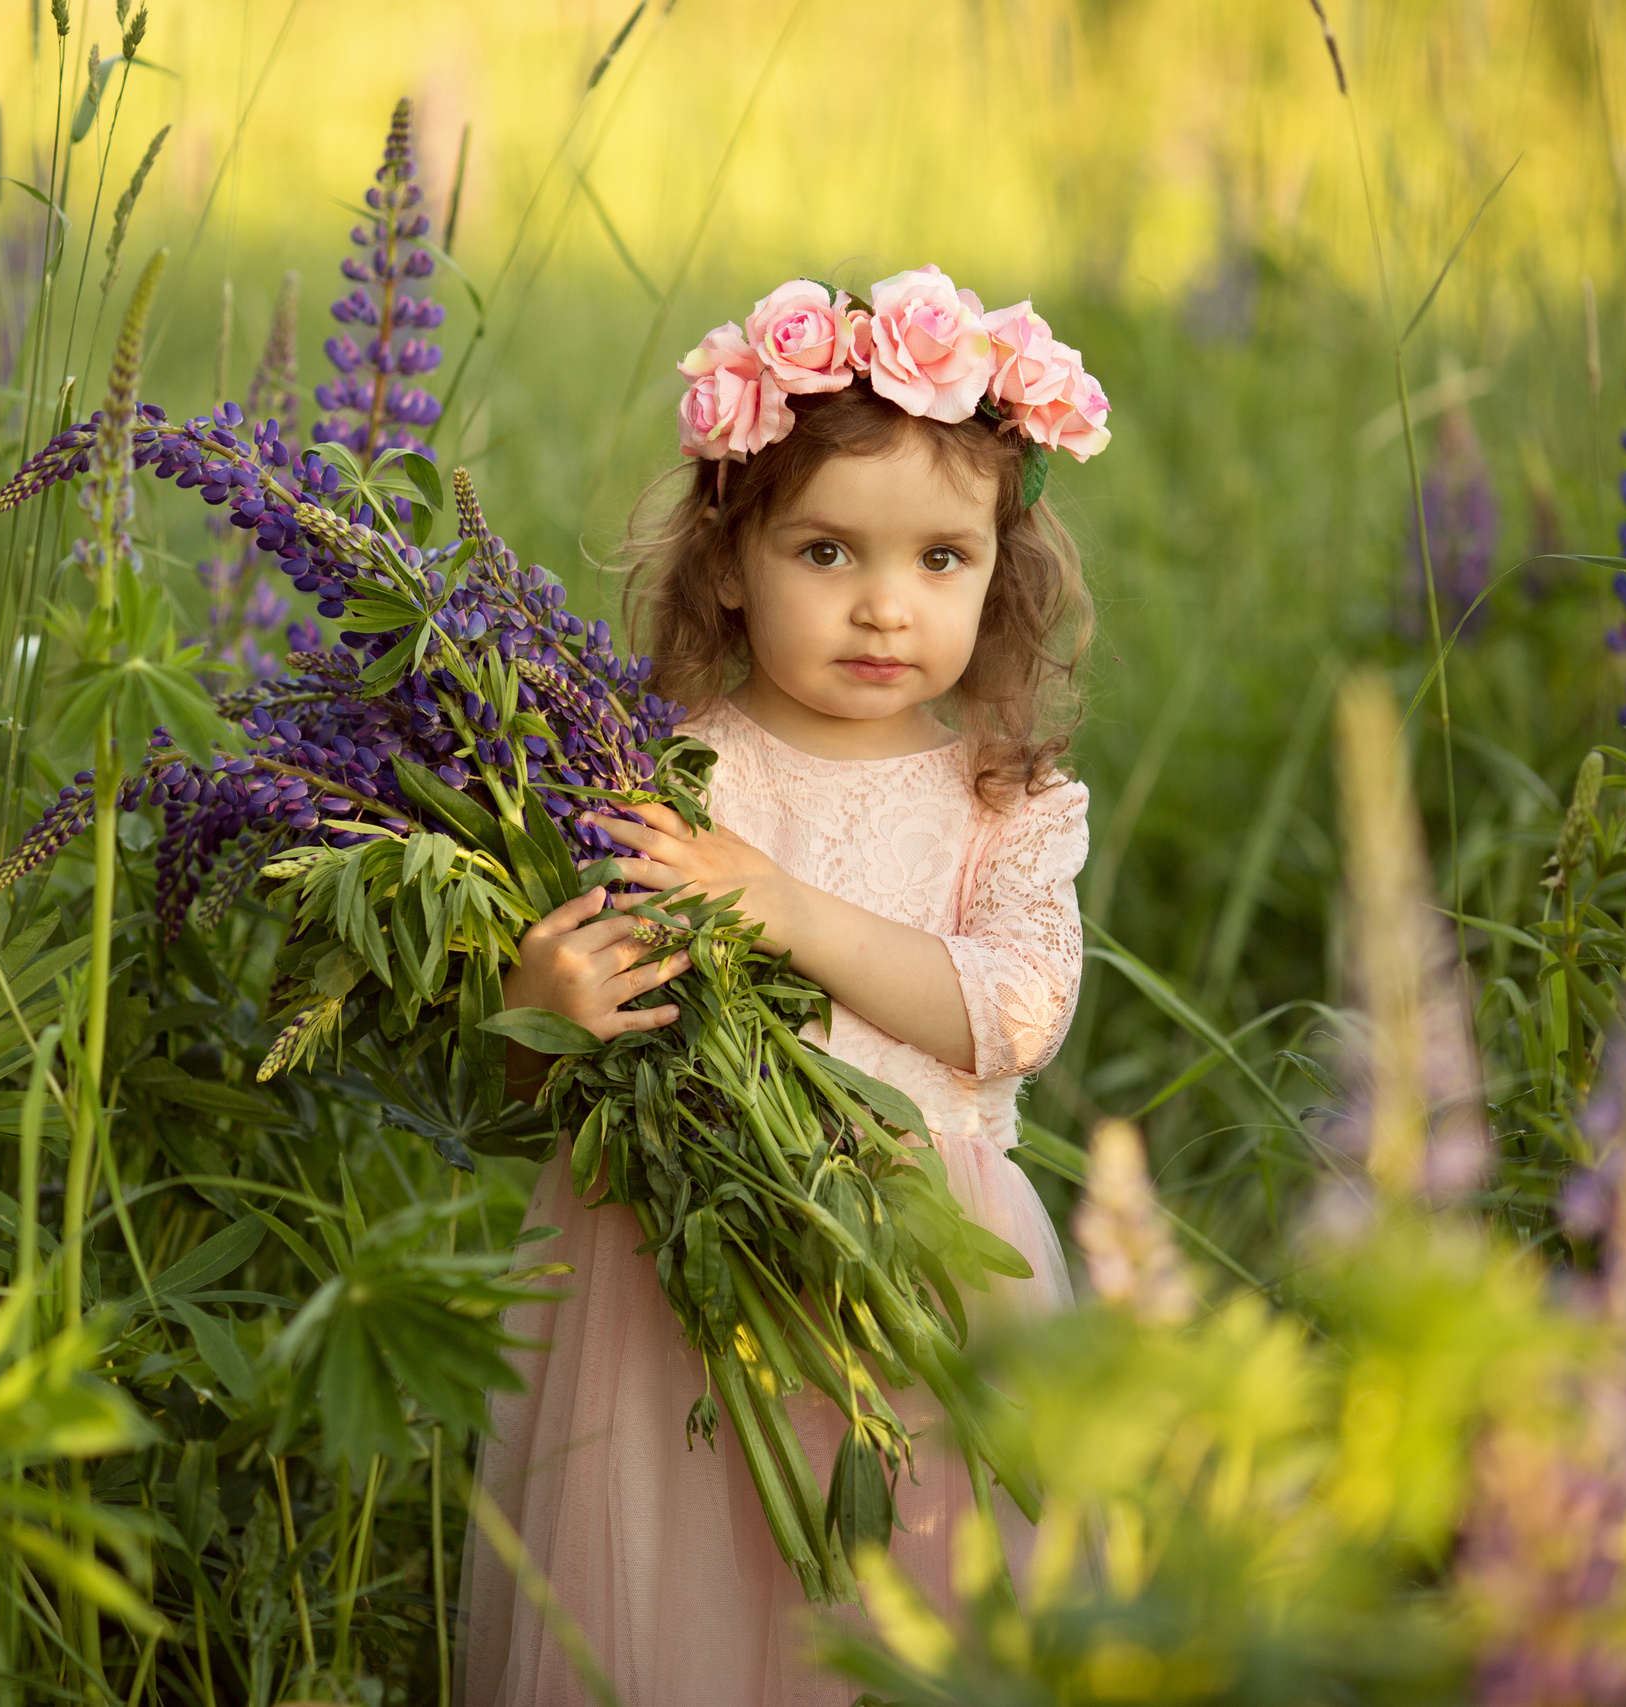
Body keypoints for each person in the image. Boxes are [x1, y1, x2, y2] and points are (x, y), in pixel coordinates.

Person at [459, 267, 1109, 1707]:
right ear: (728, 560)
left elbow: (1015, 1015)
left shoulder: (1005, 797)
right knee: (687, 1610)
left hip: (926, 1267)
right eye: (826, 551)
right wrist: (541, 1013)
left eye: (941, 559)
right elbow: (543, 1082)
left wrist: (784, 907)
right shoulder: (667, 774)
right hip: (676, 1287)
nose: (884, 607)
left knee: (921, 1606)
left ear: (1000, 574)